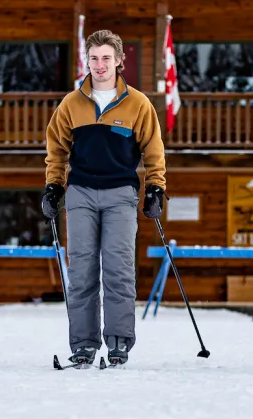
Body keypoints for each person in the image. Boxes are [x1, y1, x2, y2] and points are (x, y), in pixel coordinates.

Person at [43, 29, 166, 367]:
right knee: (81, 271)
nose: (100, 65)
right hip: (80, 192)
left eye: (106, 58)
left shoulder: (138, 104)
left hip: (120, 195)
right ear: (87, 61)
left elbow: (154, 150)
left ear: (119, 61)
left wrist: (155, 186)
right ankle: (83, 344)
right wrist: (54, 185)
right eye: (94, 58)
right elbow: (56, 150)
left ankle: (118, 342)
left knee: (118, 270)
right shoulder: (71, 104)